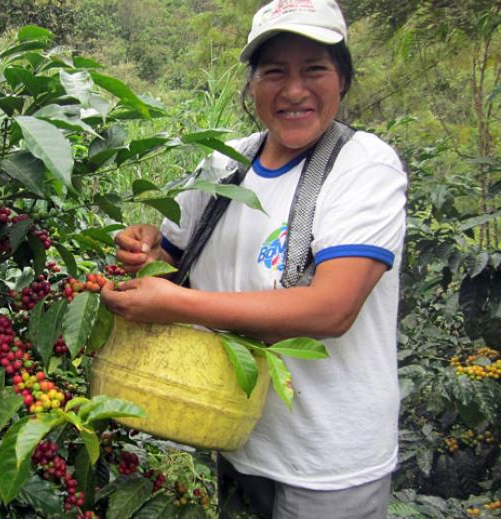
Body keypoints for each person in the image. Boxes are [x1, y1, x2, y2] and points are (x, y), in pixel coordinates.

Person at [100, 0, 407, 517]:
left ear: (343, 79)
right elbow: (169, 268)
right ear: (251, 83)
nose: (293, 90)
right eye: (273, 72)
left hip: (326, 464)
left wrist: (175, 304)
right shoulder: (224, 163)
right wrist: (145, 249)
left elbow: (331, 310)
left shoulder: (363, 165)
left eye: (314, 69)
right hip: (234, 437)